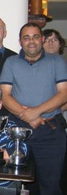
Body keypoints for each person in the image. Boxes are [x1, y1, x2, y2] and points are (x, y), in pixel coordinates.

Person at [0, 22, 67, 195]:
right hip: (18, 133)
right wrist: (29, 117)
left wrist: (35, 112)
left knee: (50, 186)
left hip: (50, 133)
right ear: (20, 41)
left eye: (36, 37)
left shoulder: (56, 61)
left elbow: (64, 94)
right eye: (26, 37)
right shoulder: (11, 62)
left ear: (42, 39)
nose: (31, 41)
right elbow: (5, 96)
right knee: (15, 184)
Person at [42, 28, 67, 195]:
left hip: (58, 123)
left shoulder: (63, 66)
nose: (51, 43)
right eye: (47, 39)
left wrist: (45, 113)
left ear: (60, 45)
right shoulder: (36, 67)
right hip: (38, 123)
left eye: (54, 40)